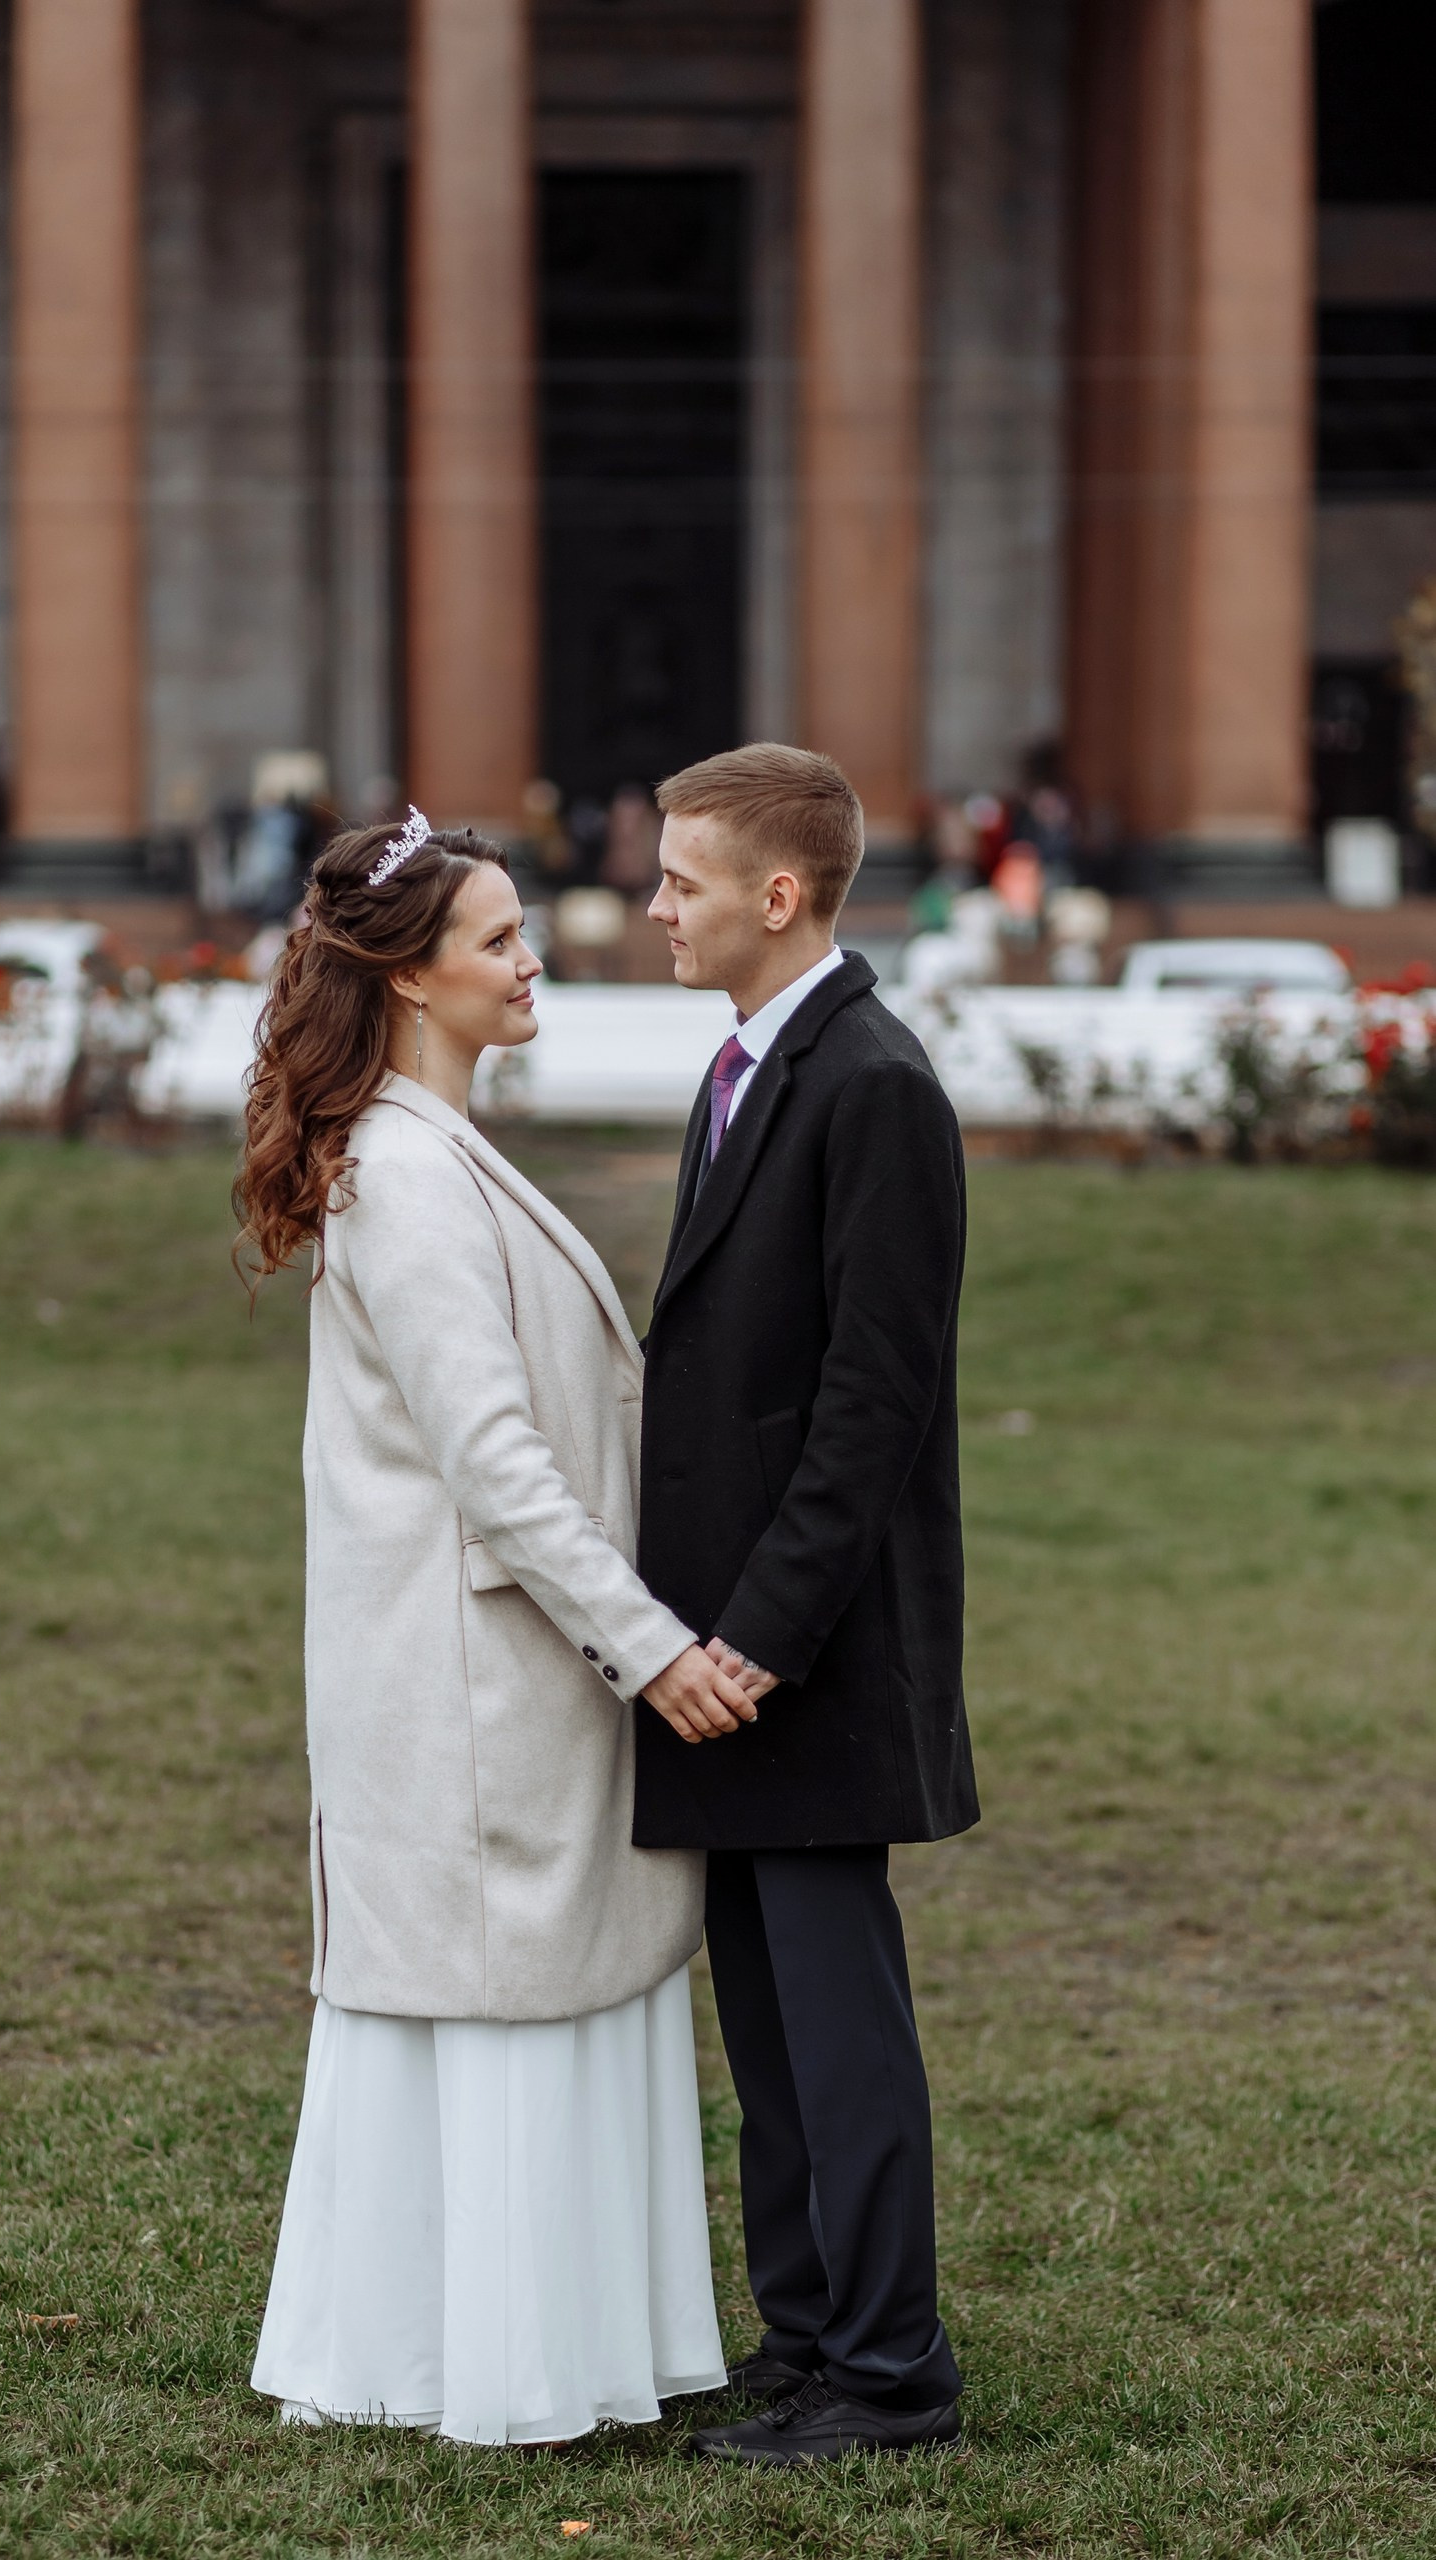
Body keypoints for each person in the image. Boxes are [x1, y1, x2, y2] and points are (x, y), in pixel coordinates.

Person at [237, 809, 753, 2447]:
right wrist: (653, 1648)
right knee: (499, 2003)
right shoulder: (404, 1174)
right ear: (407, 978)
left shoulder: (437, 1151)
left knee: (540, 1996)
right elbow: (499, 1468)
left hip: (495, 1669)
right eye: (500, 941)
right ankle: (485, 2362)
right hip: (472, 1679)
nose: (533, 959)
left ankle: (516, 2345)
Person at [635, 742, 980, 2466]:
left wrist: (757, 1635)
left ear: (780, 895)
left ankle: (894, 2376)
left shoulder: (874, 1085)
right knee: (767, 2028)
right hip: (725, 1650)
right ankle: (809, 2337)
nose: (654, 908)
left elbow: (873, 1403)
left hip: (810, 1653)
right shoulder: (749, 1065)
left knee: (841, 2029)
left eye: (681, 880)